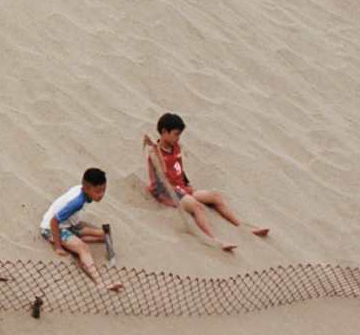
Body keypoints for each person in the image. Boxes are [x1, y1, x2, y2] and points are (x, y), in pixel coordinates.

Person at [143, 112, 269, 250]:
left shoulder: (175, 146)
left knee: (215, 198)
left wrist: (187, 181)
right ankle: (215, 240)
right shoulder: (155, 153)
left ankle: (246, 228)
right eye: (176, 134)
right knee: (198, 207)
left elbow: (177, 166)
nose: (178, 138)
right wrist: (155, 147)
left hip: (180, 186)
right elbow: (163, 171)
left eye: (179, 134)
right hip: (165, 190)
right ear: (164, 132)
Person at [42, 167, 125, 292]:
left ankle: (73, 240)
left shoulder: (84, 192)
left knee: (104, 235)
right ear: (86, 190)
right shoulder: (77, 202)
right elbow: (54, 221)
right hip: (51, 229)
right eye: (98, 192)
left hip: (68, 226)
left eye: (103, 190)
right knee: (84, 249)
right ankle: (100, 283)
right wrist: (58, 246)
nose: (101, 195)